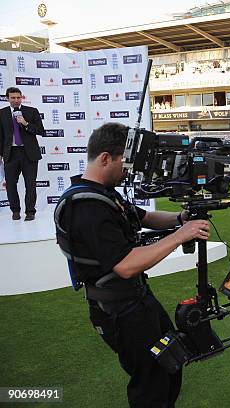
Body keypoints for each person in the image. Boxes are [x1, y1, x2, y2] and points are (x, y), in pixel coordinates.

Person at [54, 123, 210, 407]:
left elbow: (145, 218)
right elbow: (125, 265)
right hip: (119, 310)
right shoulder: (87, 207)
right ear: (105, 158)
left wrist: (181, 218)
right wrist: (180, 236)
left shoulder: (104, 193)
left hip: (136, 299)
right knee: (150, 382)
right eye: (124, 164)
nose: (128, 171)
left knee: (171, 362)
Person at [0, 87, 45, 221]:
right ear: (7, 98)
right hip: (10, 153)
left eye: (18, 97)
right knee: (11, 184)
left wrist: (25, 123)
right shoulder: (1, 113)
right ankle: (15, 211)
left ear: (21, 98)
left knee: (30, 184)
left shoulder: (31, 111)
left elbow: (41, 131)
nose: (16, 100)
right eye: (13, 98)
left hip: (29, 153)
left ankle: (30, 212)